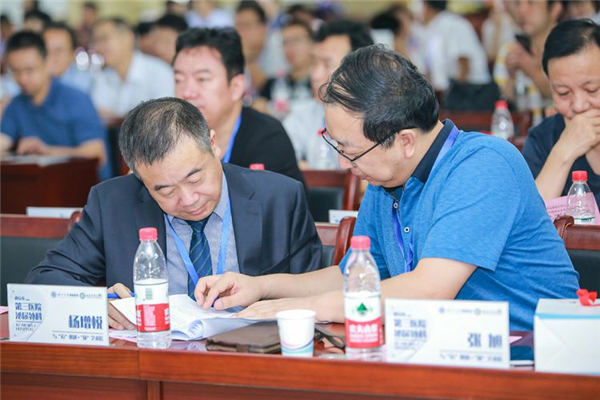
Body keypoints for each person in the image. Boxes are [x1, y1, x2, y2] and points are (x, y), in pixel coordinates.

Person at [195, 45, 579, 332]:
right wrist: (261, 288)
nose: (344, 165)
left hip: (533, 356)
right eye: (336, 145)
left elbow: (429, 290)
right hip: (443, 350)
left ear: (405, 141)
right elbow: (350, 279)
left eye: (351, 151)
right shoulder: (385, 181)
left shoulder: (482, 164)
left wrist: (307, 308)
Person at [25, 97, 323, 330]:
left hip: (254, 358)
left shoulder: (279, 198)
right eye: (166, 190)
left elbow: (315, 292)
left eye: (195, 178)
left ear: (214, 145)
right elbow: (44, 279)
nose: (189, 200)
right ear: (140, 178)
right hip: (152, 360)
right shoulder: (112, 203)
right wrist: (95, 303)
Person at [174, 27, 305, 185]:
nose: (187, 92)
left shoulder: (267, 138)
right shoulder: (172, 138)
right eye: (179, 80)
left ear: (236, 86)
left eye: (202, 79)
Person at [0, 31, 110, 180]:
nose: (23, 79)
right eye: (16, 71)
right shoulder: (16, 104)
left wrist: (47, 151)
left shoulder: (76, 100)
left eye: (29, 70)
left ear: (47, 62)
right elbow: (3, 141)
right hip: (42, 185)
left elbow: (97, 153)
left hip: (82, 185)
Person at [522, 19, 600, 205]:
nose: (579, 106)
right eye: (563, 93)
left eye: (592, 90)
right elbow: (528, 219)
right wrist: (564, 152)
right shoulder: (541, 139)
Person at [283, 19, 373, 169]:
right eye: (313, 63)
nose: (315, 75)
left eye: (327, 64)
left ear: (360, 70)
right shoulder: (303, 116)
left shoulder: (381, 120)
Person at [91, 17, 174, 119]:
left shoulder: (159, 72)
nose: (98, 47)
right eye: (95, 41)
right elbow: (96, 115)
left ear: (128, 38)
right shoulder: (102, 77)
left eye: (104, 39)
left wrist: (118, 118)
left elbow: (162, 116)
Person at [493, 0, 562, 121]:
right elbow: (501, 110)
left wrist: (533, 71)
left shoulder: (568, 50)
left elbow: (567, 97)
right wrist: (511, 78)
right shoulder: (509, 51)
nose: (521, 10)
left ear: (555, 9)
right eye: (518, 3)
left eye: (531, 3)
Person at [420, 0, 490, 92]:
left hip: (473, 90)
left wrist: (456, 93)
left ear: (426, 7)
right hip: (452, 89)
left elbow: (464, 61)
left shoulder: (453, 23)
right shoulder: (433, 27)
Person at [256, 18, 313, 119]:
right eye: (285, 42)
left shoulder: (320, 84)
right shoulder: (272, 84)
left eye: (296, 40)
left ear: (312, 43)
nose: (290, 47)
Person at [234, 0, 288, 99]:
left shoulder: (281, 46)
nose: (241, 32)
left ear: (264, 27)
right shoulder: (235, 49)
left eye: (246, 25)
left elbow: (273, 89)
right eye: (238, 26)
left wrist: (249, 60)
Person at [43, 22, 93, 94]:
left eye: (58, 50)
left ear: (72, 54)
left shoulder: (85, 84)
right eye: (46, 50)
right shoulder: (29, 81)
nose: (51, 56)